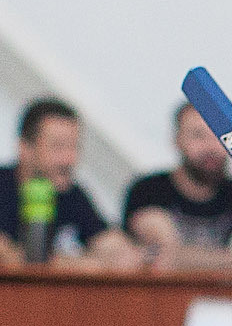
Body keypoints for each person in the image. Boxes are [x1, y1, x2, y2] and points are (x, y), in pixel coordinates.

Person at [124, 102, 232, 272]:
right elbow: (169, 256)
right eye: (198, 135)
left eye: (220, 137)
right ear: (176, 140)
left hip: (218, 297)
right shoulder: (148, 190)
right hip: (159, 297)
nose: (211, 146)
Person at [0, 98, 139, 270]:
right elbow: (15, 261)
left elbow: (123, 255)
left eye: (74, 147)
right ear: (25, 148)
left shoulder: (73, 194)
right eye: (57, 147)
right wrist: (82, 263)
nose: (69, 159)